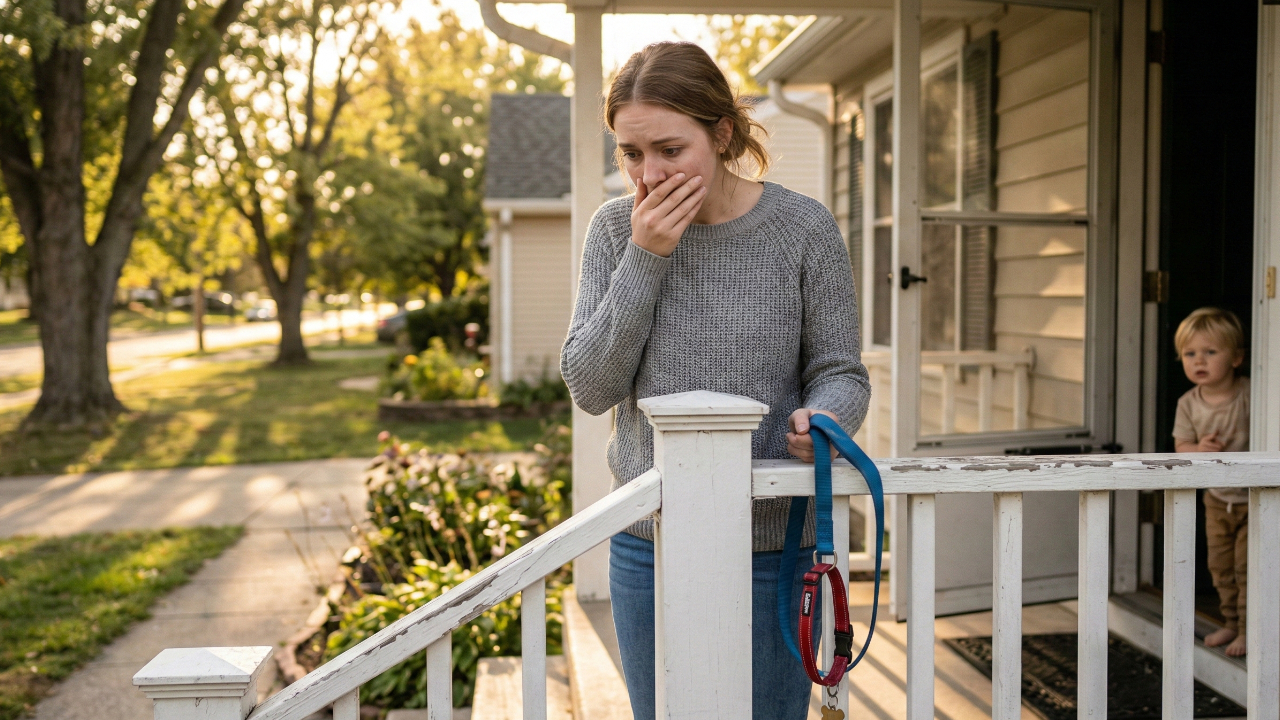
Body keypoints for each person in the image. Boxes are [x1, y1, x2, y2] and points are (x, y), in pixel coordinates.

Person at [559, 41, 870, 719]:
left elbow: (841, 372)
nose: (649, 173)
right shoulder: (615, 231)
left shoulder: (803, 229)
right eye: (631, 154)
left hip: (775, 548)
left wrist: (824, 417)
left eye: (670, 150)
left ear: (722, 132)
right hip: (649, 548)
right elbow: (590, 386)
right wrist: (647, 257)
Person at [1171, 307, 1250, 657]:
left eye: (1210, 352)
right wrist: (1199, 449)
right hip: (1217, 499)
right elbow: (1181, 445)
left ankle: (1251, 629)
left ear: (1236, 358)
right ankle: (1231, 622)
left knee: (1248, 567)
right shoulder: (1188, 403)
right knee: (1220, 567)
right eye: (1190, 354)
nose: (1198, 361)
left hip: (1252, 498)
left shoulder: (1251, 395)